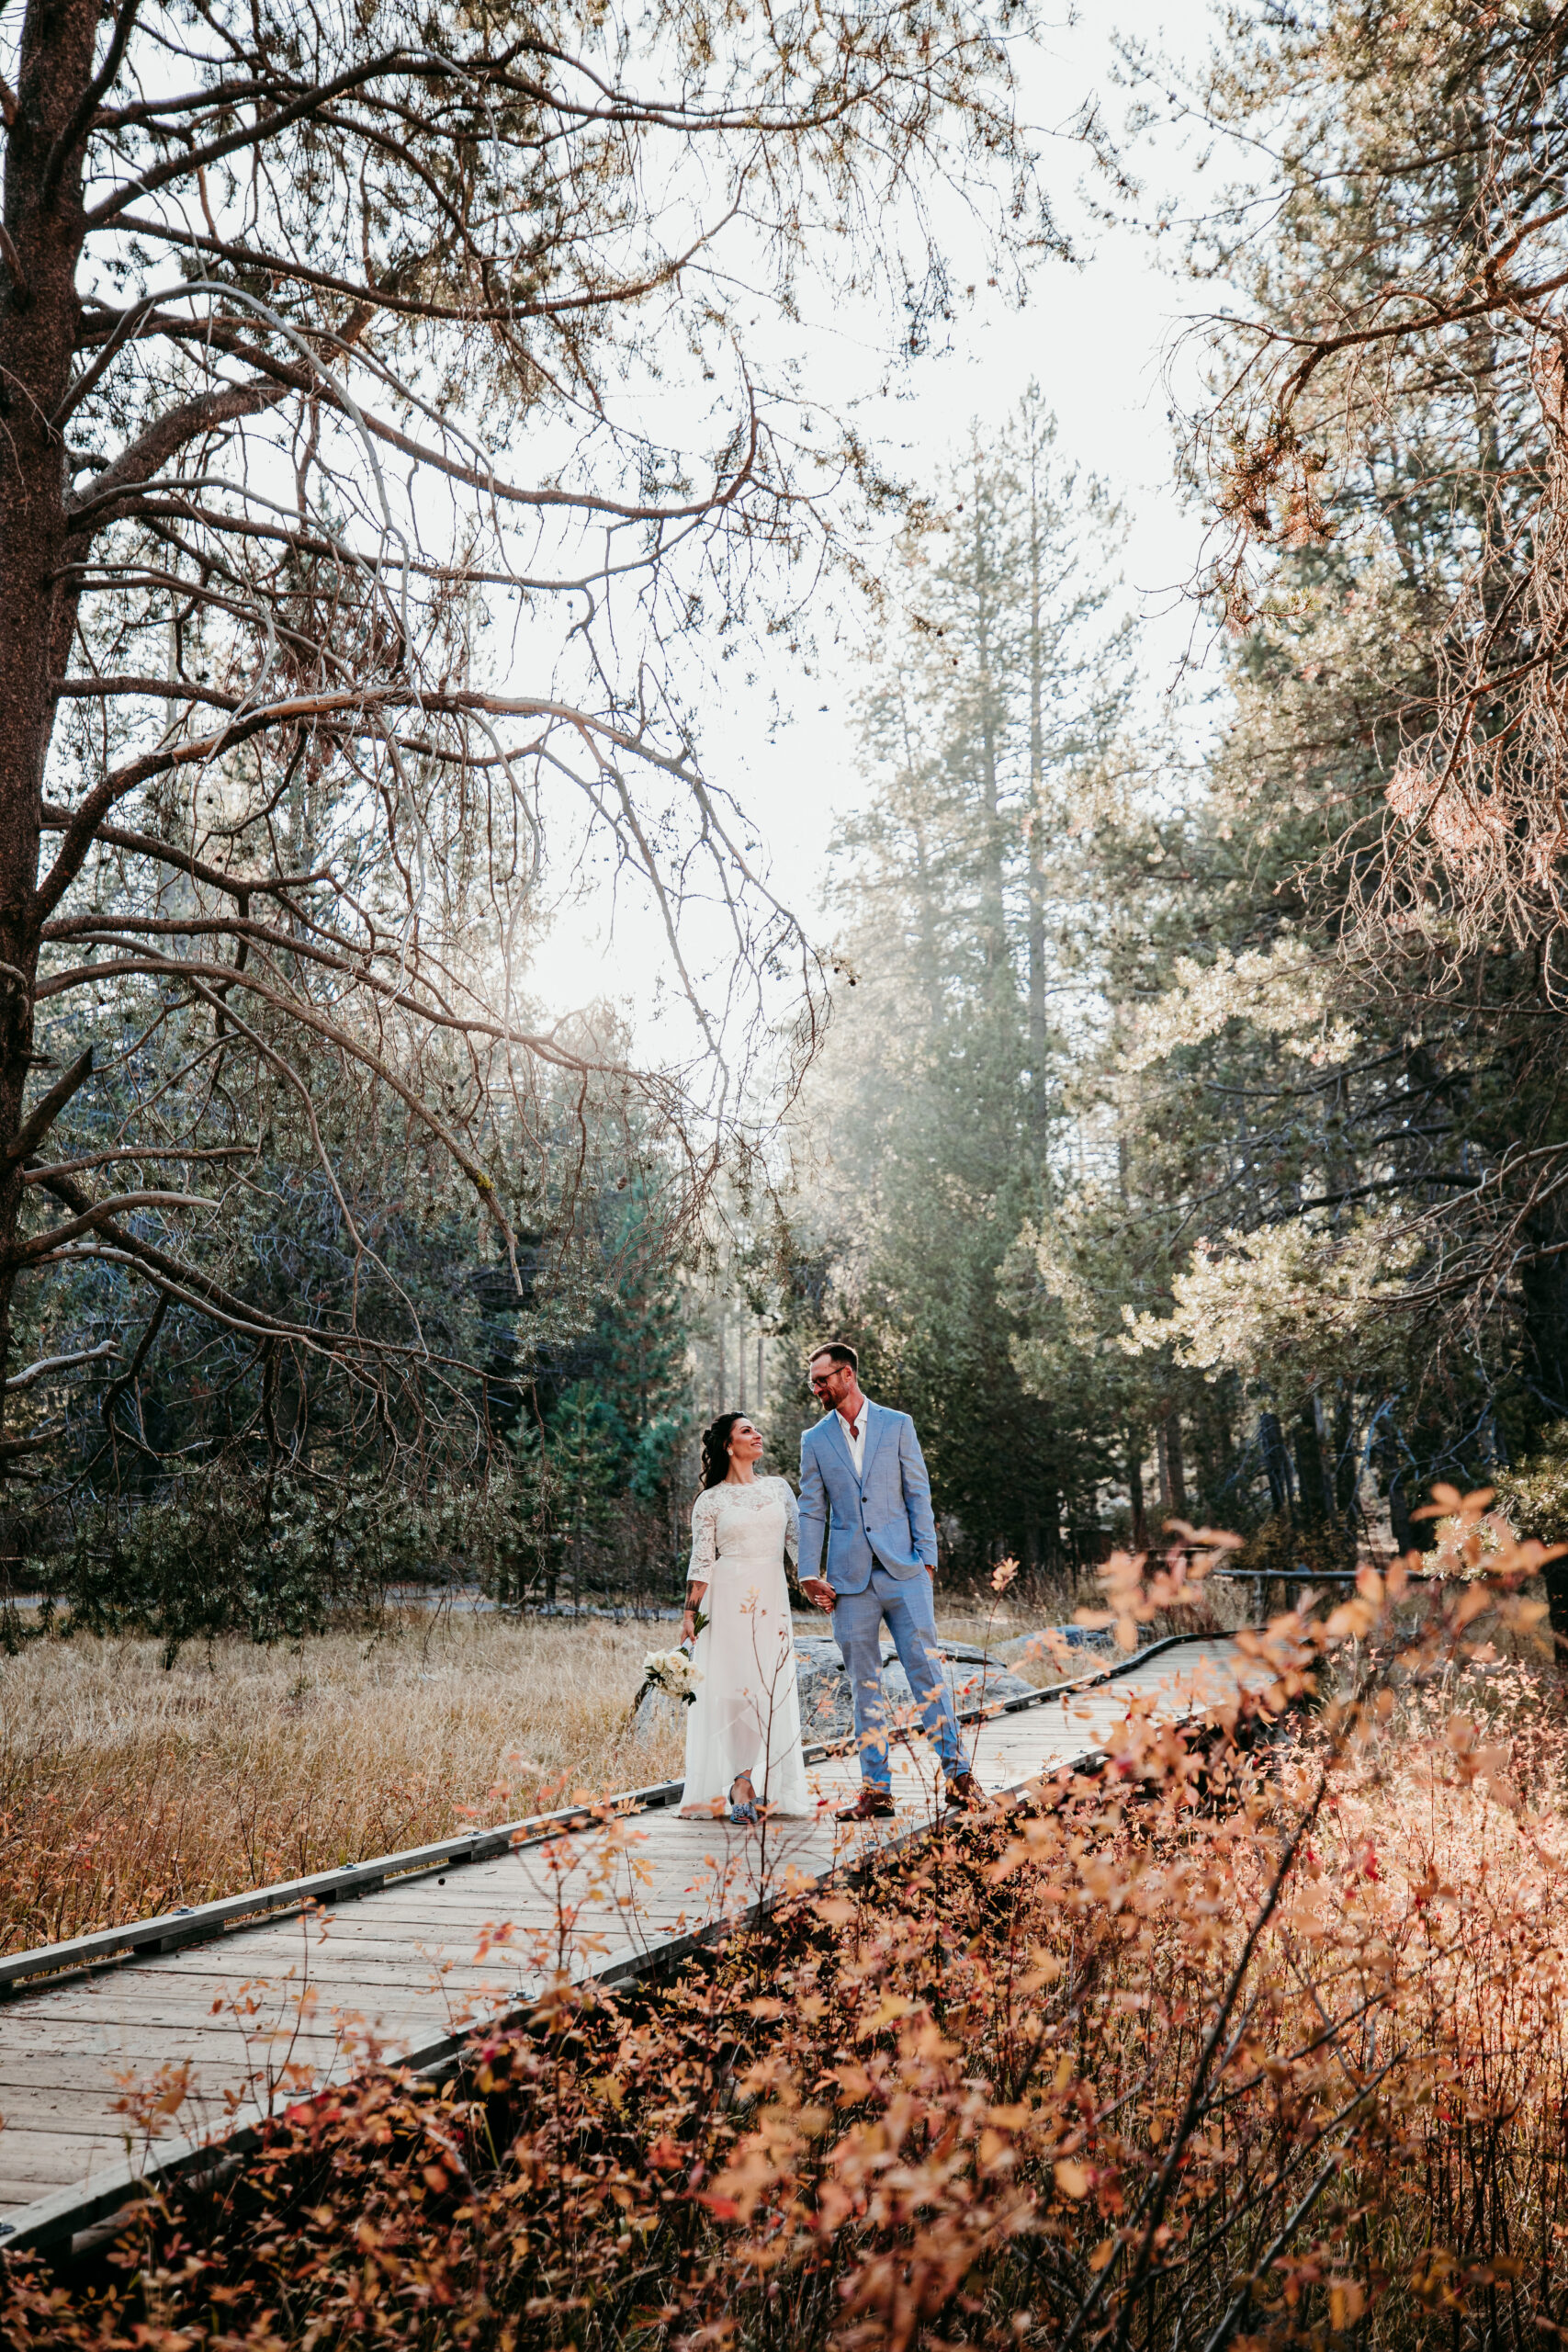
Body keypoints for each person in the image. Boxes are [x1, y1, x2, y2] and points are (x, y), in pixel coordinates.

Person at [797, 1341, 986, 1820]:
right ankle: (876, 1792)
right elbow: (812, 1509)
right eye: (813, 1381)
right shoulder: (814, 1440)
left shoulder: (898, 1424)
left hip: (905, 1572)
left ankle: (960, 1778)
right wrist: (807, 1572)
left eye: (822, 1380)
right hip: (849, 1583)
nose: (815, 1388)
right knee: (865, 1685)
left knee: (928, 1675)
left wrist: (927, 1560)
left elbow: (917, 1492)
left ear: (847, 1376)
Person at [677, 1411, 812, 1825]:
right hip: (727, 1598)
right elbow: (702, 1561)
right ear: (728, 1446)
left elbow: (798, 1545)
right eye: (746, 1430)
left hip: (771, 1596)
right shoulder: (711, 1500)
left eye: (756, 1429)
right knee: (735, 1690)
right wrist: (689, 1614)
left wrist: (815, 1584)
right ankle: (741, 1781)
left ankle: (762, 1778)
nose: (757, 1435)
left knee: (766, 1689)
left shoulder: (778, 1488)